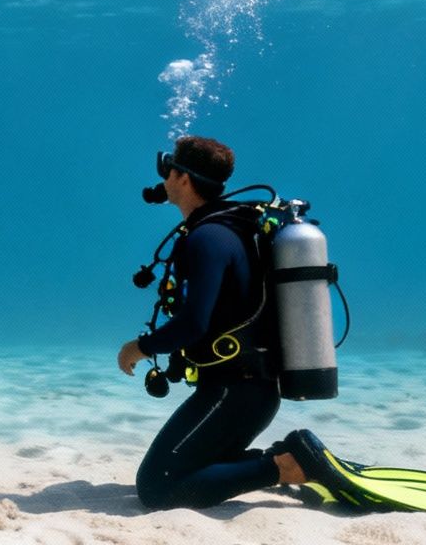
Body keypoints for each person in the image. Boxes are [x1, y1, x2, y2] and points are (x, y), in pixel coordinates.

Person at [118, 136, 311, 509]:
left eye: (168, 170)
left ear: (183, 179)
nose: (164, 179)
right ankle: (287, 457)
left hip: (235, 393)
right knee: (182, 469)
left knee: (158, 489)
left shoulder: (209, 236)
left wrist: (138, 349)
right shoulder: (229, 228)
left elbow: (193, 325)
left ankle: (286, 466)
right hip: (241, 390)